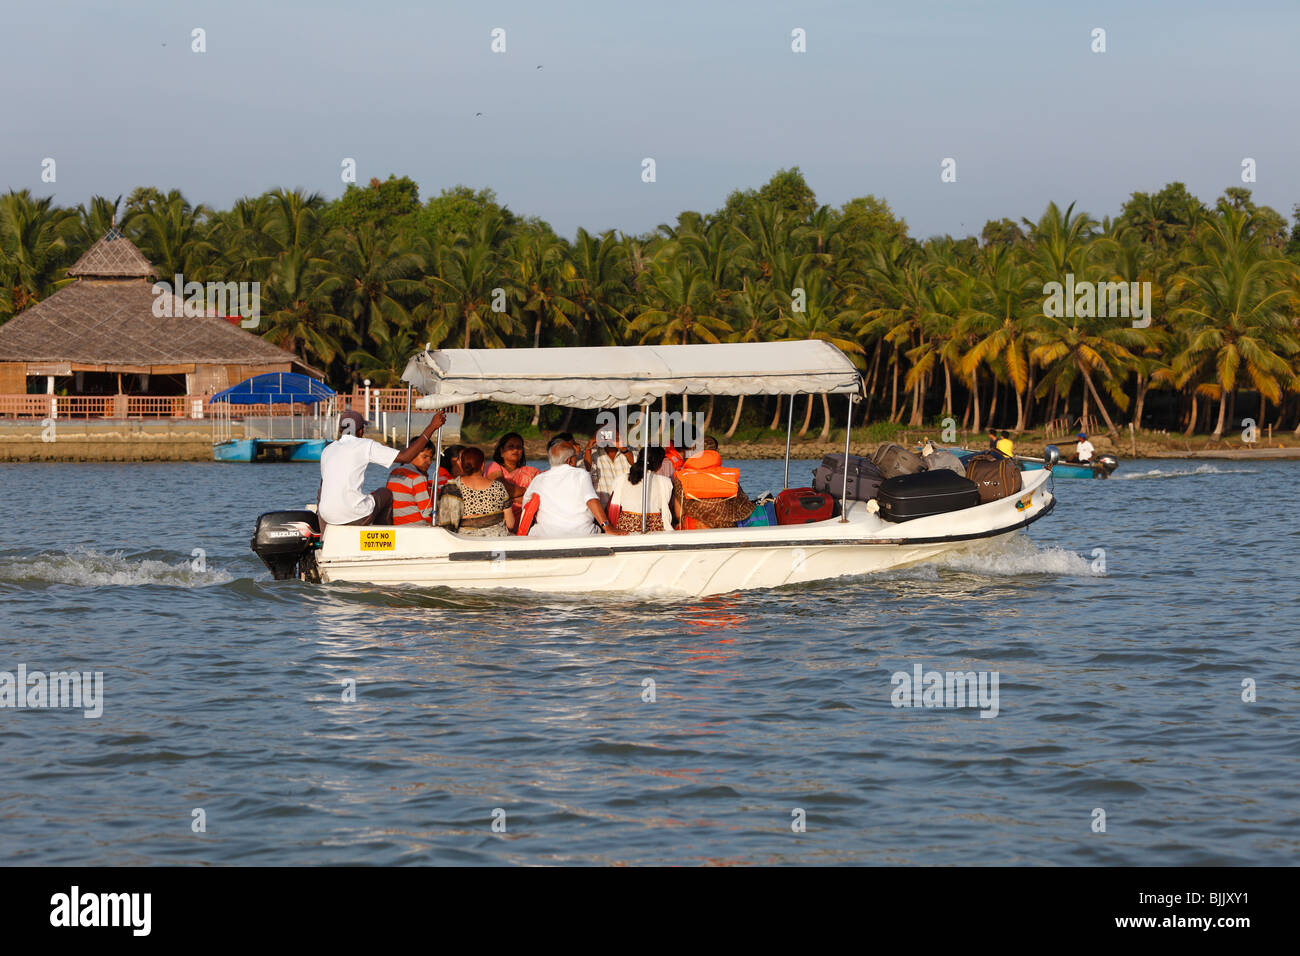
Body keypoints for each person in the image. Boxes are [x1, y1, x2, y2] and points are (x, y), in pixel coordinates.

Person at [318, 408, 446, 526]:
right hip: (353, 515)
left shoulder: (327, 450)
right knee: (385, 493)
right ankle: (383, 539)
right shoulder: (365, 445)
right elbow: (405, 457)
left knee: (321, 492)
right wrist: (432, 427)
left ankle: (325, 540)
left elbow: (323, 488)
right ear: (361, 431)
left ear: (340, 430)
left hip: (327, 517)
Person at [523, 436, 625, 538]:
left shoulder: (539, 479)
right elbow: (591, 500)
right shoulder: (581, 474)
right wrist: (607, 527)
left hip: (545, 533)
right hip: (582, 533)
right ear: (569, 460)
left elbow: (526, 504)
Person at [672, 435, 754, 529]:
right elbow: (744, 508)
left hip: (694, 528)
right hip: (726, 528)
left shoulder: (682, 477)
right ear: (716, 452)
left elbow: (679, 514)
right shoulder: (729, 476)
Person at [442, 446, 515, 536]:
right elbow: (510, 524)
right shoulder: (498, 487)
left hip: (464, 542)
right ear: (482, 464)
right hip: (496, 542)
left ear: (461, 464)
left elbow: (446, 526)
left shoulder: (451, 488)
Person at [610, 446, 678, 532]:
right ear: (659, 464)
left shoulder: (621, 479)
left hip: (625, 530)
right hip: (654, 530)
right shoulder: (665, 482)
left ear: (638, 458)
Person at [584, 429, 633, 509]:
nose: (609, 437)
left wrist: (624, 449)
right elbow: (587, 471)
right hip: (603, 510)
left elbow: (638, 465)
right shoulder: (593, 455)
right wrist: (588, 447)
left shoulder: (629, 451)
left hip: (627, 508)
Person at [387, 445, 435, 525]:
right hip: (416, 525)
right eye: (425, 457)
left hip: (397, 524)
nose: (429, 462)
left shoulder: (394, 473)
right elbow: (426, 513)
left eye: (431, 458)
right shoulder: (417, 478)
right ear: (412, 454)